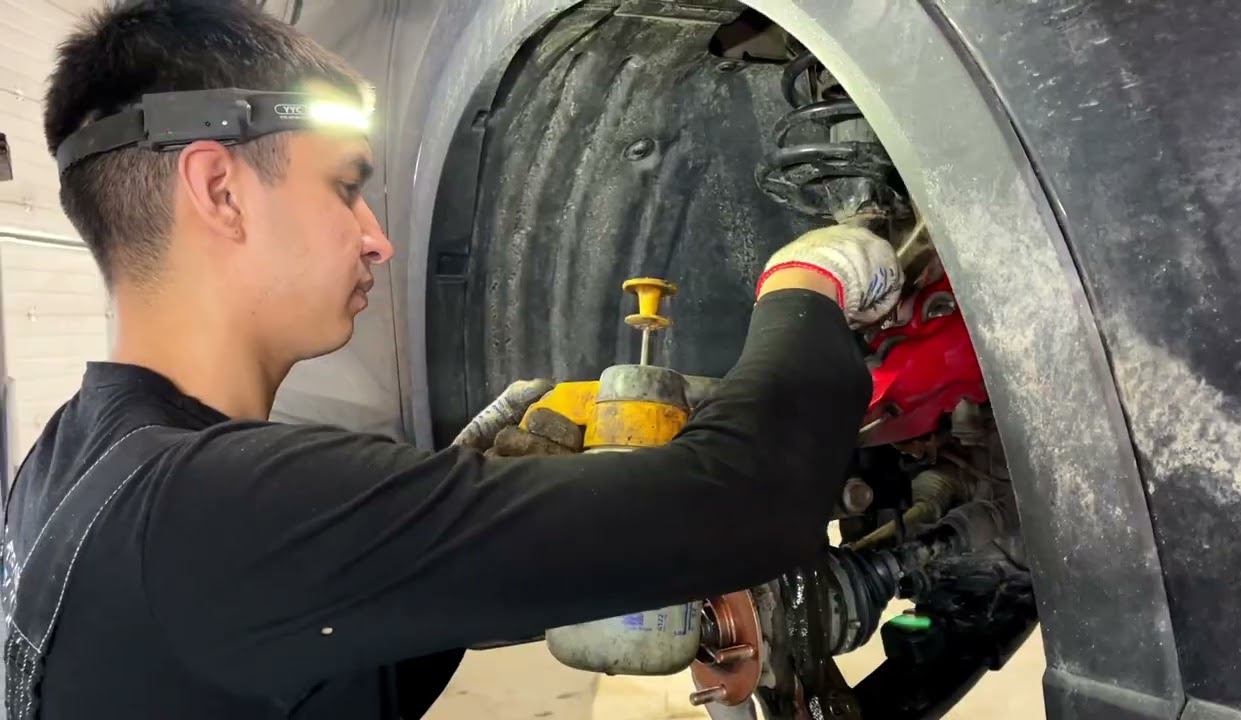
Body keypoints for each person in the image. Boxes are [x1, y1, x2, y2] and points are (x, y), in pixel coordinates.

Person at [1, 1, 902, 719]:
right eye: (346, 187)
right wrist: (807, 283)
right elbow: (741, 503)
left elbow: (337, 671)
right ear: (219, 190)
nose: (377, 237)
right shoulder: (211, 509)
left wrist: (464, 524)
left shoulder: (66, 466)